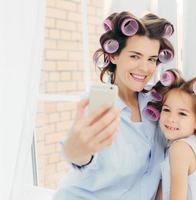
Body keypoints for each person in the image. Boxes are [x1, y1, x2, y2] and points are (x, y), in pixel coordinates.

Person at [53, 11, 175, 200]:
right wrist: (75, 150)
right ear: (115, 56)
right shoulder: (99, 106)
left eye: (151, 59)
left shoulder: (158, 106)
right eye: (135, 56)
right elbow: (80, 155)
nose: (145, 68)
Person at [143, 69, 196, 200]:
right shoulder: (185, 145)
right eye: (167, 110)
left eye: (182, 113)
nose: (171, 119)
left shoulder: (180, 149)